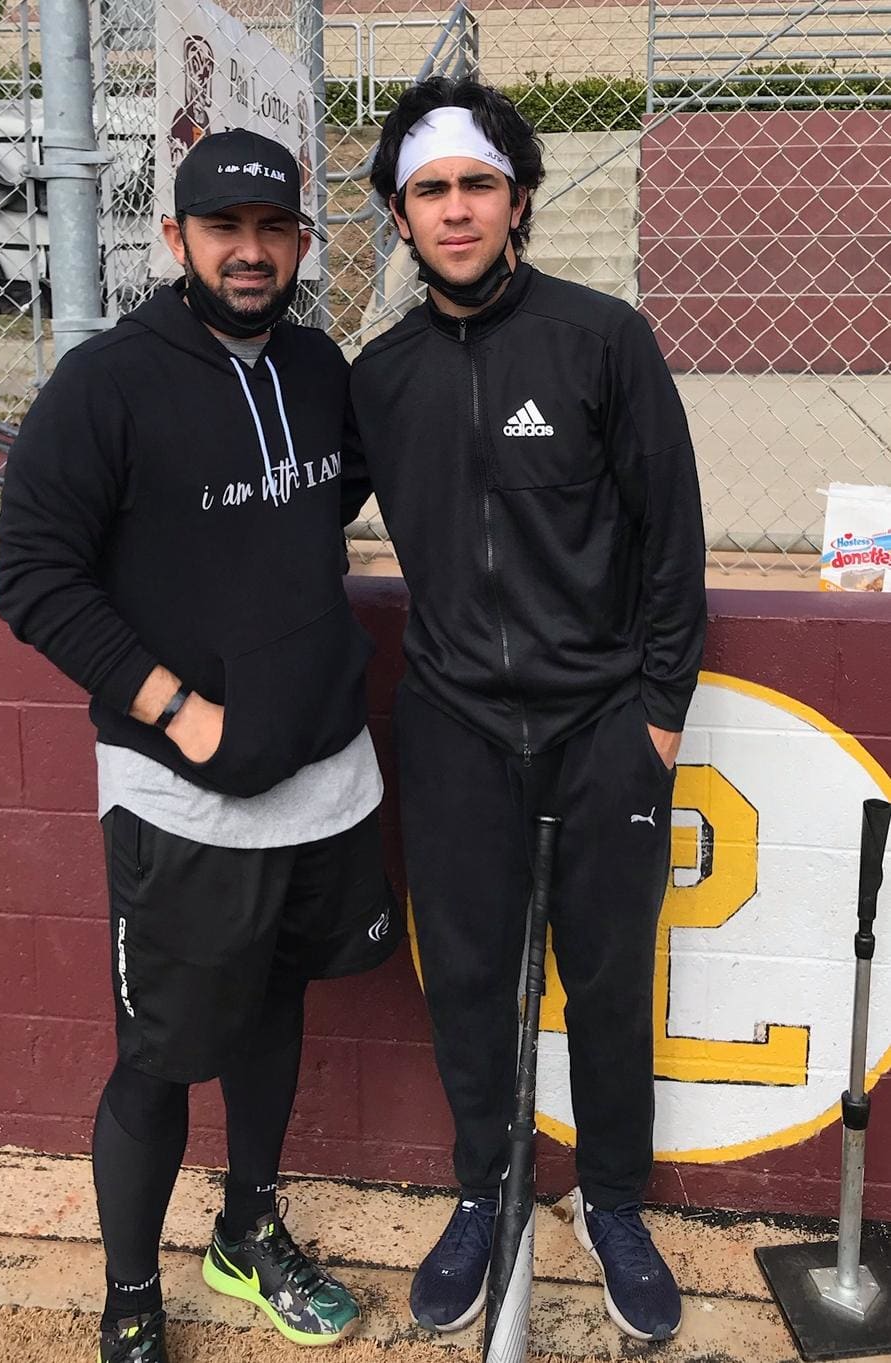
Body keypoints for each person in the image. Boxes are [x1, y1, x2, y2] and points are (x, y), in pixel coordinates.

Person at [0, 128, 400, 1363]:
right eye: (224, 228)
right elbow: (33, 578)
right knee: (161, 1056)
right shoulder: (105, 386)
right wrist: (179, 706)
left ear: (303, 242)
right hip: (183, 795)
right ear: (175, 238)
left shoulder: (320, 368)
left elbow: (314, 509)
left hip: (320, 774)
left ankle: (248, 1230)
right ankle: (130, 1297)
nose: (251, 251)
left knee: (273, 1012)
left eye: (275, 229)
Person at [348, 77, 707, 1343]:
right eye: (430, 190)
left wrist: (656, 716)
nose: (454, 210)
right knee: (467, 978)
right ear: (401, 215)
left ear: (518, 200)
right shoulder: (379, 377)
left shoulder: (601, 340)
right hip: (453, 722)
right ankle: (484, 1193)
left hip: (603, 722)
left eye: (477, 185)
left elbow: (672, 540)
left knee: (606, 976)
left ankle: (611, 1201)